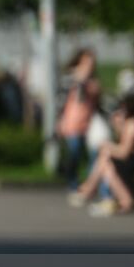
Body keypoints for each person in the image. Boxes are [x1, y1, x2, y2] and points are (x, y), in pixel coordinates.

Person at [56, 49, 101, 188]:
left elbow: (97, 99)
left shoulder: (93, 81)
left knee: (94, 153)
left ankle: (89, 184)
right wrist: (60, 120)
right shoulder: (69, 78)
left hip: (89, 122)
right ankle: (73, 183)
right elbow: (61, 100)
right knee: (74, 152)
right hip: (72, 122)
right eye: (86, 63)